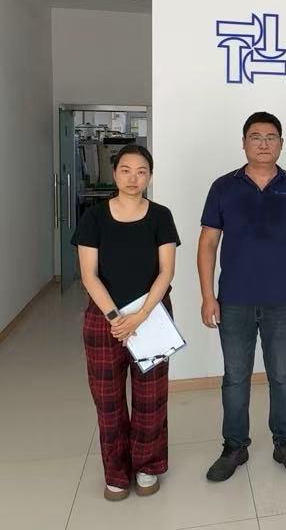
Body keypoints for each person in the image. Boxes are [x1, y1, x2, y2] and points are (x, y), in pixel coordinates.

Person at [199, 111, 286, 480]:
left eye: (271, 137)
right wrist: (208, 296)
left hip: (282, 300)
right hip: (233, 300)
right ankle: (235, 446)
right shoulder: (223, 187)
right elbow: (207, 243)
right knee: (235, 377)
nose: (264, 143)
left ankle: (285, 442)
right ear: (243, 143)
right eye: (256, 136)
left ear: (281, 143)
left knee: (282, 376)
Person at [73, 145, 181, 501]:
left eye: (141, 171)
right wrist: (116, 318)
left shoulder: (161, 216)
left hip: (153, 317)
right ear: (115, 172)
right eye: (126, 170)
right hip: (104, 321)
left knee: (151, 398)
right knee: (108, 401)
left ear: (150, 176)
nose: (133, 178)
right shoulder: (94, 217)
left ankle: (147, 465)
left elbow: (166, 271)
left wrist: (141, 315)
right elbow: (89, 275)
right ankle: (116, 473)